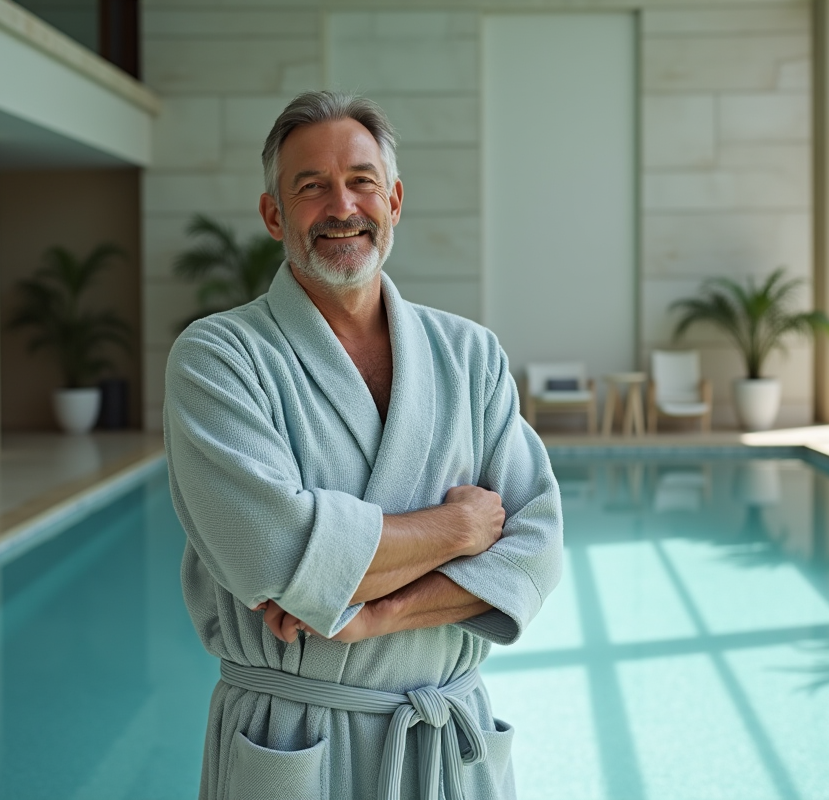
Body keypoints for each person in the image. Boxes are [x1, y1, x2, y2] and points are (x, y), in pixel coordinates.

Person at [164, 90, 563, 800]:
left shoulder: (471, 356)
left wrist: (381, 610)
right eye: (310, 187)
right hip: (292, 741)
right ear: (273, 215)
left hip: (446, 737)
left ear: (395, 200)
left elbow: (536, 550)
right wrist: (461, 527)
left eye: (361, 181)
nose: (341, 206)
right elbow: (274, 557)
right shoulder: (220, 357)